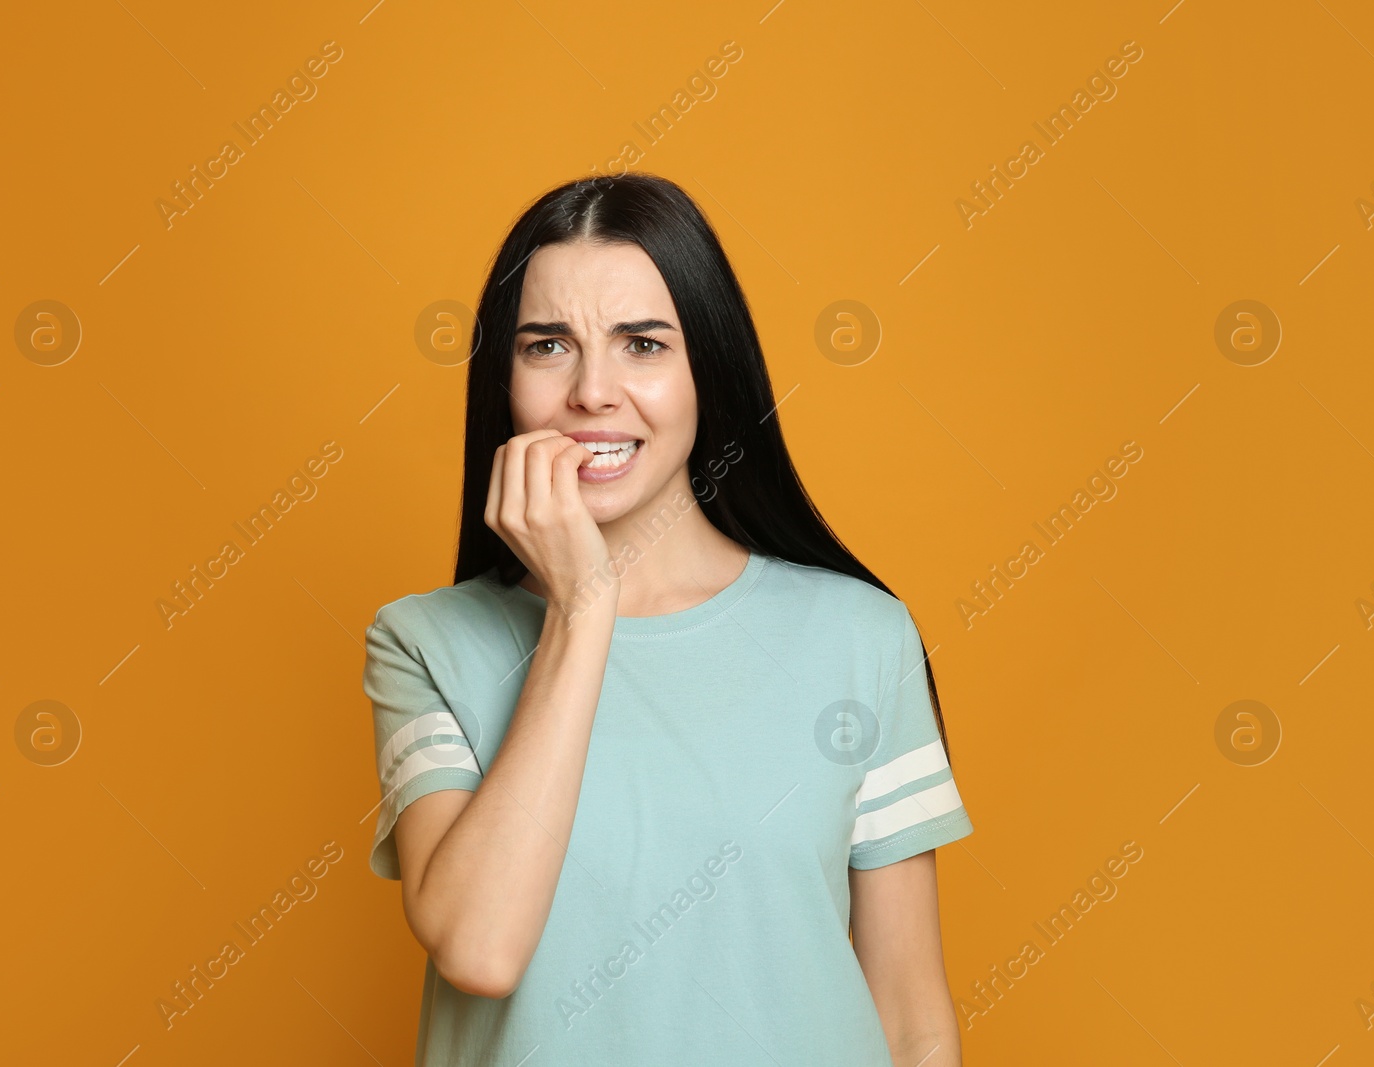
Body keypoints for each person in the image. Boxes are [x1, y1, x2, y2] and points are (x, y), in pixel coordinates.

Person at [363, 172, 975, 1066]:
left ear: (708, 370)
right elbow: (479, 947)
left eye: (643, 344)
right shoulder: (424, 642)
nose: (593, 393)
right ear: (505, 379)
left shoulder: (861, 639)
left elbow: (914, 1022)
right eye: (547, 346)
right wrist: (583, 603)